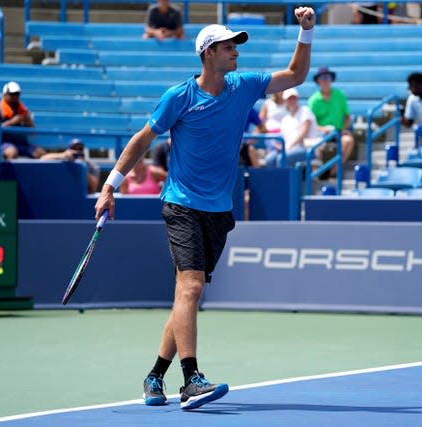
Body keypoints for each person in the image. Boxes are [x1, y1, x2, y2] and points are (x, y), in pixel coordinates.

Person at [94, 8, 315, 410]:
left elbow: (296, 76)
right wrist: (110, 186)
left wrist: (306, 31)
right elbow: (143, 140)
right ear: (208, 53)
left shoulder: (244, 86)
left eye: (236, 47)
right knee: (191, 286)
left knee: (186, 295)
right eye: (229, 46)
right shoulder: (179, 96)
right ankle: (191, 378)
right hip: (180, 203)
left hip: (219, 209)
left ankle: (154, 375)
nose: (236, 53)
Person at [307, 66, 355, 177]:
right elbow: (311, 124)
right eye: (322, 78)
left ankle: (333, 171)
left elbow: (347, 117)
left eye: (327, 77)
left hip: (338, 132)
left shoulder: (340, 95)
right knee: (314, 146)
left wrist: (344, 129)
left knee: (348, 140)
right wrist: (324, 129)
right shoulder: (313, 100)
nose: (325, 80)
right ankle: (316, 175)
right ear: (318, 81)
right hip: (320, 134)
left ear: (331, 79)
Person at [265, 87, 319, 167]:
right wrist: (279, 145)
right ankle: (275, 179)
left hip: (308, 148)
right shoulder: (286, 119)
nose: (292, 101)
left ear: (297, 99)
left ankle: (286, 179)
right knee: (270, 159)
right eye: (289, 99)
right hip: (291, 148)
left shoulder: (305, 111)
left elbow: (304, 132)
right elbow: (285, 138)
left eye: (294, 98)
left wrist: (288, 146)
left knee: (281, 158)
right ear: (285, 101)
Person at [0, 81, 46, 160]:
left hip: (22, 144)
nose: (15, 97)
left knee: (40, 152)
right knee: (12, 152)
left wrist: (29, 122)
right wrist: (11, 122)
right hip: (4, 143)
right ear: (5, 94)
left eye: (17, 94)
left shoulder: (24, 111)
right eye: (12, 94)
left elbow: (33, 134)